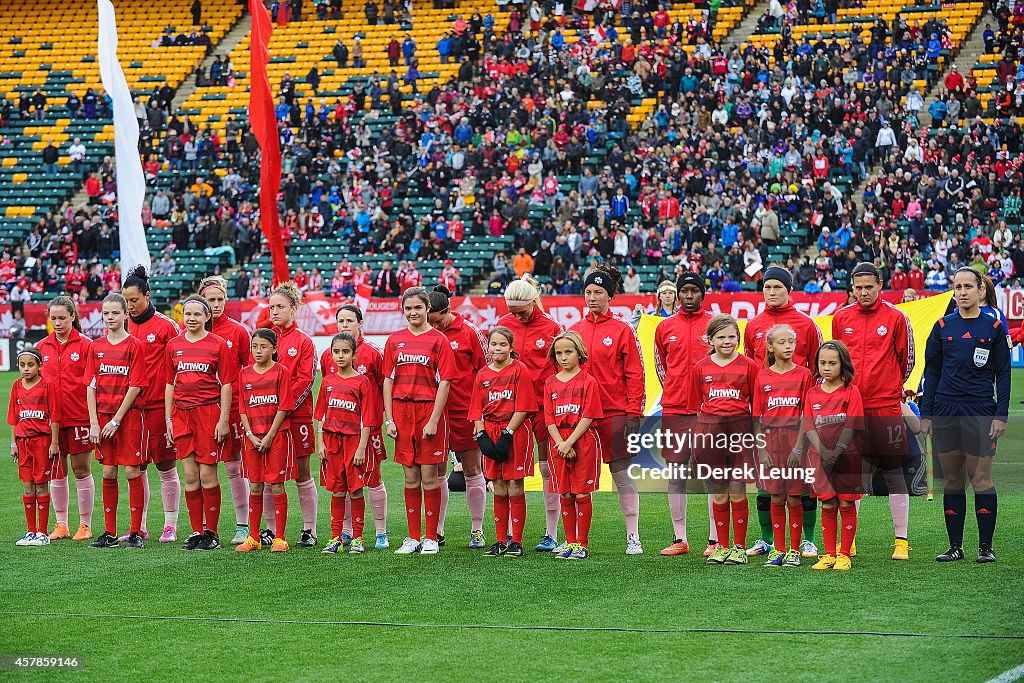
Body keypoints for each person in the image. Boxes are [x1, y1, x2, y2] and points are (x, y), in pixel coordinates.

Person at [921, 268, 1010, 564]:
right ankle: (955, 547)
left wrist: (1001, 414)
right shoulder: (942, 325)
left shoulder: (994, 326)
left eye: (968, 286)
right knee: (954, 480)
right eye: (957, 286)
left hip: (981, 411)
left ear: (980, 290)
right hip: (946, 411)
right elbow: (931, 371)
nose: (962, 292)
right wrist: (926, 412)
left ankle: (986, 547)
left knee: (982, 479)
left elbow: (1004, 374)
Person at [831, 262, 915, 560]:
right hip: (851, 407)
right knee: (854, 476)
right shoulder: (841, 318)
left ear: (880, 284)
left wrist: (890, 388)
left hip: (885, 407)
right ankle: (849, 541)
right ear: (852, 288)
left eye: (869, 287)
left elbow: (907, 361)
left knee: (893, 472)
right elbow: (835, 361)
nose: (864, 293)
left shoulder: (896, 317)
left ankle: (901, 541)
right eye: (859, 288)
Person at [742, 266, 822, 559]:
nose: (772, 292)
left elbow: (817, 364)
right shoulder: (753, 325)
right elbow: (752, 366)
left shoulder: (806, 324)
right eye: (767, 287)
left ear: (789, 290)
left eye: (778, 287)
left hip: (798, 420)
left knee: (802, 486)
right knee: (768, 486)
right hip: (768, 419)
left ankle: (807, 539)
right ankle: (768, 540)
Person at [569, 263, 646, 555]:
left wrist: (633, 414)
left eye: (598, 292)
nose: (592, 297)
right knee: (576, 477)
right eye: (588, 292)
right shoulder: (575, 330)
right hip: (580, 417)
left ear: (610, 296)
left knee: (621, 473)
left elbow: (635, 374)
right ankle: (576, 539)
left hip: (613, 413)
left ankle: (633, 536)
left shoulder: (624, 330)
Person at [383, 287, 456, 555]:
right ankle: (413, 537)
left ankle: (431, 537)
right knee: (410, 475)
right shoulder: (394, 340)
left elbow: (445, 382)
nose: (413, 312)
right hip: (402, 414)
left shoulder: (438, 340)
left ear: (427, 309)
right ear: (403, 310)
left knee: (429, 476)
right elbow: (388, 380)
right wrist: (390, 419)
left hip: (428, 412)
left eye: (418, 307)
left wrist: (434, 420)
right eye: (408, 308)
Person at [495, 276, 564, 551]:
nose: (516, 316)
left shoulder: (552, 327)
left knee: (548, 468)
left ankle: (551, 532)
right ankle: (511, 533)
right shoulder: (504, 325)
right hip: (512, 411)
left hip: (543, 408)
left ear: (532, 302)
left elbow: (562, 368)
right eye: (512, 311)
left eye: (520, 311)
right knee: (511, 473)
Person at [166, 295, 237, 551]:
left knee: (208, 475)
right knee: (190, 476)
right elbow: (169, 384)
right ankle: (196, 530)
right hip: (181, 415)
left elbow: (227, 384)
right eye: (188, 314)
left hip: (208, 414)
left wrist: (223, 419)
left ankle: (212, 533)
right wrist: (168, 419)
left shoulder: (218, 344)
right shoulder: (174, 345)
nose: (192, 319)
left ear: (208, 317)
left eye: (197, 314)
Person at [319, 305, 390, 549]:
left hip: (368, 428)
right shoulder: (328, 357)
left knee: (371, 478)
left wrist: (386, 418)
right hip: (337, 432)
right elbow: (325, 403)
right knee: (340, 484)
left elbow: (384, 386)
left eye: (350, 320)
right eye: (341, 320)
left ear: (360, 323)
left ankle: (380, 531)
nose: (345, 324)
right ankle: (344, 533)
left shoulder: (373, 353)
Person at [652, 273, 713, 557]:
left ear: (703, 293)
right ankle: (680, 538)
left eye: (694, 291)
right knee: (677, 473)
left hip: (709, 411)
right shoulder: (665, 327)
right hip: (675, 409)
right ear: (677, 295)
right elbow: (661, 366)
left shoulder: (715, 324)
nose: (689, 296)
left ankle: (715, 539)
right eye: (684, 291)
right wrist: (676, 392)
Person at [84, 294, 148, 549]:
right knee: (109, 471)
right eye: (106, 314)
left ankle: (135, 532)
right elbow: (91, 386)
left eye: (114, 313)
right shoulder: (95, 346)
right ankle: (109, 532)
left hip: (128, 418)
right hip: (102, 418)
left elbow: (136, 385)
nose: (110, 318)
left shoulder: (135, 345)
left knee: (132, 470)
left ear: (125, 315)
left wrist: (117, 420)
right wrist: (95, 423)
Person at [427, 285, 489, 548]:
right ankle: (437, 530)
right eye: (431, 323)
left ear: (448, 311)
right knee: (437, 472)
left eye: (438, 321)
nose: (435, 327)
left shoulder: (470, 332)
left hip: (465, 412)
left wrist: (481, 413)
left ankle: (477, 529)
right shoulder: (425, 333)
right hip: (433, 415)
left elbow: (486, 374)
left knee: (473, 470)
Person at [124, 266, 182, 543]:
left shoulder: (166, 326)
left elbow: (180, 365)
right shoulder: (124, 324)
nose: (130, 306)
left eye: (134, 300)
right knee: (136, 467)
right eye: (126, 301)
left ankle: (170, 524)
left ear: (147, 295)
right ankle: (140, 525)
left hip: (160, 406)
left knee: (165, 465)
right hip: (132, 408)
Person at [696, 315, 758, 566]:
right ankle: (721, 546)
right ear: (710, 340)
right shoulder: (701, 367)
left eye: (732, 336)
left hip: (740, 433)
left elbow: (757, 404)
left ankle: (740, 547)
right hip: (710, 434)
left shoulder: (749, 366)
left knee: (737, 488)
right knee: (718, 490)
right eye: (721, 337)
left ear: (738, 339)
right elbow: (696, 403)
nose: (727, 341)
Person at [470, 326, 536, 557]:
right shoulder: (482, 374)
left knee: (515, 484)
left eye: (502, 344)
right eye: (494, 344)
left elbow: (524, 405)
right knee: (497, 485)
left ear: (511, 347)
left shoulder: (519, 369)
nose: (497, 349)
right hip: (490, 430)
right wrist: (482, 436)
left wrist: (508, 433)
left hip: (514, 431)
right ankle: (500, 540)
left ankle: (516, 541)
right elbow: (476, 409)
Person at [752, 324, 812, 568]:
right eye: (781, 342)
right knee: (776, 495)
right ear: (769, 347)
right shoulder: (762, 376)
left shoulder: (804, 375)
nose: (788, 346)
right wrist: (761, 449)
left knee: (794, 496)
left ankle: (794, 550)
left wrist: (799, 447)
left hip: (795, 440)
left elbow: (807, 415)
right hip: (770, 442)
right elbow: (756, 417)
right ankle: (778, 549)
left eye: (791, 341)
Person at [200, 276, 253, 545]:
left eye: (221, 299)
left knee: (234, 468)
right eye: (211, 300)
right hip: (199, 411)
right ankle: (205, 527)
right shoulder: (192, 332)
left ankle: (243, 525)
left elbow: (250, 370)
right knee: (201, 470)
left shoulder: (238, 332)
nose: (217, 304)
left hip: (231, 411)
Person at [37, 296, 94, 542]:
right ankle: (61, 524)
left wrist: (93, 420)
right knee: (57, 472)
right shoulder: (41, 347)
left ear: (73, 316)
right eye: (53, 318)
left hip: (79, 417)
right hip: (52, 423)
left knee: (81, 470)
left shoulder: (86, 345)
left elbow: (93, 383)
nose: (57, 323)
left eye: (62, 318)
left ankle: (85, 524)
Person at [265, 282, 318, 547]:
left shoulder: (304, 342)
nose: (274, 311)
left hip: (296, 417)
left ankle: (309, 529)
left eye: (280, 307)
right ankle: (270, 528)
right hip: (265, 417)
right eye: (272, 307)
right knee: (267, 474)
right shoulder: (263, 338)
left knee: (302, 472)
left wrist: (283, 408)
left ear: (294, 309)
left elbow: (305, 380)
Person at [804, 340, 865, 571]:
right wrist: (823, 451)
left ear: (843, 365)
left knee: (846, 502)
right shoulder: (812, 393)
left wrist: (838, 450)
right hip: (819, 457)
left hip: (847, 456)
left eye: (832, 363)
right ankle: (829, 554)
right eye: (822, 363)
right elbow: (809, 425)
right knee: (828, 504)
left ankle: (844, 554)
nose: (826, 367)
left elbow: (852, 423)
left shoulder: (851, 391)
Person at [543, 331, 603, 560]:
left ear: (580, 353)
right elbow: (549, 417)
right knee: (565, 493)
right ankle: (569, 541)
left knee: (580, 493)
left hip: (582, 439)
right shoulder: (550, 382)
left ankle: (582, 544)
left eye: (568, 352)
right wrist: (560, 443)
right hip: (558, 442)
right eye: (559, 353)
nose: (563, 357)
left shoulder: (588, 381)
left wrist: (569, 442)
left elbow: (588, 415)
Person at [236, 329, 294, 553]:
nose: (258, 351)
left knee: (277, 484)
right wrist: (250, 434)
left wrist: (269, 435)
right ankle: (254, 537)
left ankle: (280, 538)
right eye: (254, 347)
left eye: (263, 347)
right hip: (252, 437)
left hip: (276, 436)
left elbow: (284, 406)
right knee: (255, 484)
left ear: (274, 349)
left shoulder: (281, 371)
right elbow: (242, 407)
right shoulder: (245, 374)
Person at [9, 347, 61, 547]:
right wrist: (14, 443)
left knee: (41, 485)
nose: (26, 369)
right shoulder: (16, 385)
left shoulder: (47, 386)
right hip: (23, 443)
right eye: (22, 365)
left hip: (42, 442)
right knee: (27, 485)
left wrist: (54, 442)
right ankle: (30, 531)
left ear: (40, 366)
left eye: (30, 365)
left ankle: (42, 532)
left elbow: (54, 416)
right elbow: (13, 416)